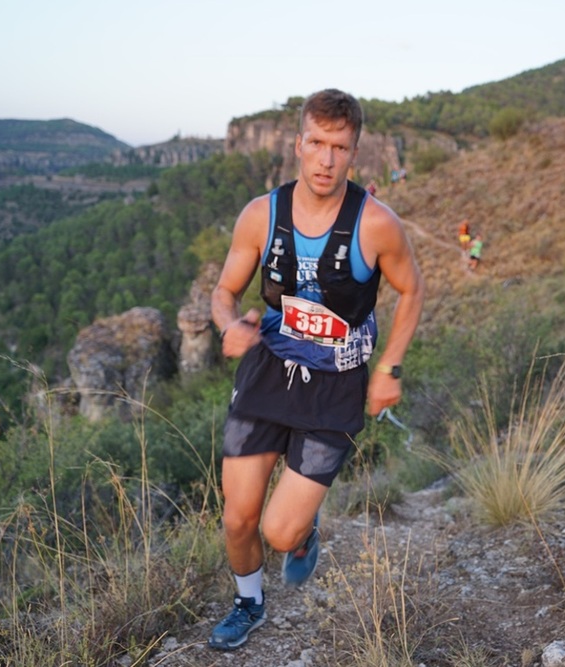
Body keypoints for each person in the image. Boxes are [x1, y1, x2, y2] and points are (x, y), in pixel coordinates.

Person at [208, 88, 424, 651]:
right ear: (298, 144)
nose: (327, 159)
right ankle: (248, 603)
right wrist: (229, 323)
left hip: (335, 385)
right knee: (238, 519)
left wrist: (390, 368)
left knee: (280, 532)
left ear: (356, 152)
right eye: (317, 144)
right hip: (267, 370)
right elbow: (225, 292)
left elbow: (412, 289)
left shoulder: (376, 224)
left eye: (340, 147)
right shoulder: (262, 215)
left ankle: (302, 534)